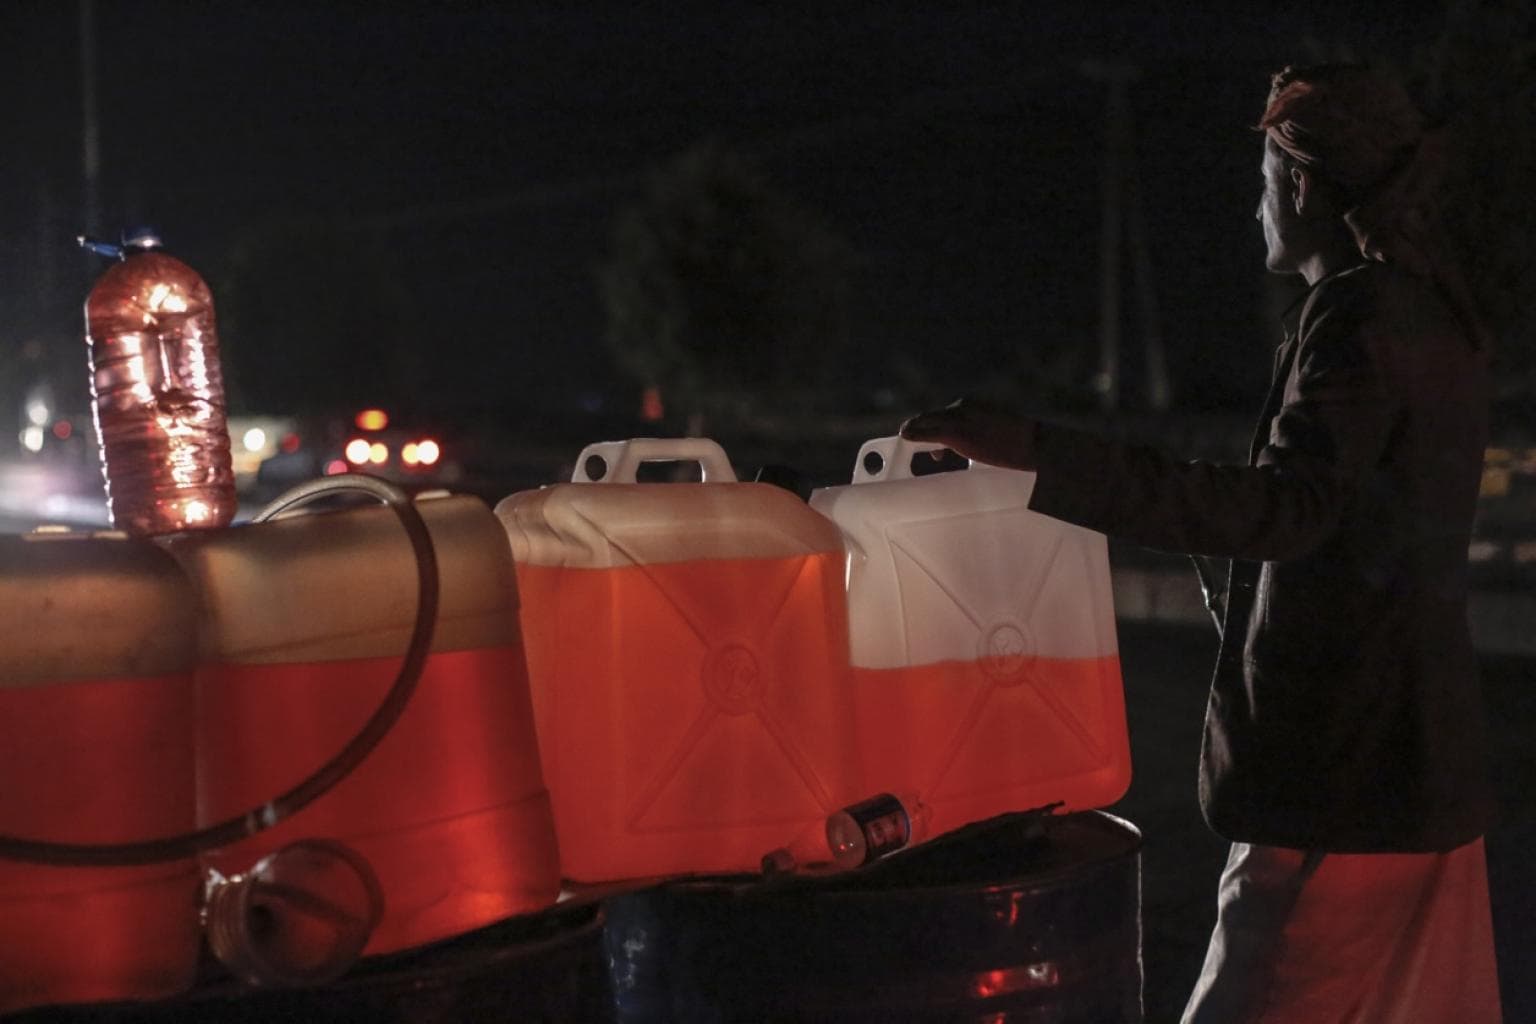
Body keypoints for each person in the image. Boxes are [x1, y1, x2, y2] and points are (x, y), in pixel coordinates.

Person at [901, 63, 1503, 1023]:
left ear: (1301, 183)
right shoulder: (1436, 315)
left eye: (1263, 177)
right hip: (1418, 776)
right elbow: (1347, 530)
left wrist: (1038, 456)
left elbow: (1284, 510)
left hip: (1340, 787)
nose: (1255, 203)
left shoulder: (1357, 315)